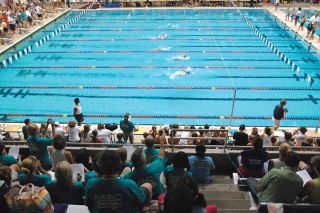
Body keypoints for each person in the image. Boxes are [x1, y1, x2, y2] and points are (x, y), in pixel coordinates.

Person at [85, 150, 152, 213]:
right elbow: (141, 200)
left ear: (99, 166)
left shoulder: (91, 184)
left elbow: (89, 205)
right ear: (119, 165)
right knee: (147, 185)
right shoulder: (129, 184)